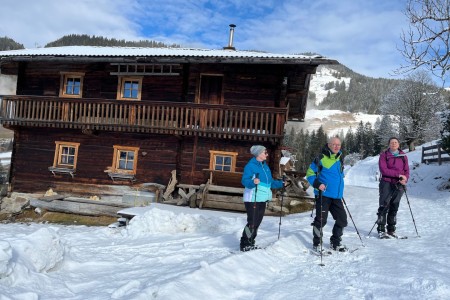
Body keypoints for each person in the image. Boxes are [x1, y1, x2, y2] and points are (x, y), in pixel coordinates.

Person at [306, 137, 347, 252]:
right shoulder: (321, 158)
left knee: (342, 220)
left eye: (338, 144)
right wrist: (317, 184)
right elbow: (310, 173)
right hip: (323, 195)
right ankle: (317, 244)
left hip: (337, 196)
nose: (336, 146)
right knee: (321, 220)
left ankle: (335, 243)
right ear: (328, 145)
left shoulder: (340, 158)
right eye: (334, 144)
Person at [240, 145, 284, 251]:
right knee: (252, 221)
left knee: (257, 222)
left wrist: (281, 183)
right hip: (252, 197)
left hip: (262, 198)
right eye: (265, 152)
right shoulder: (250, 166)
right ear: (259, 154)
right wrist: (252, 182)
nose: (267, 154)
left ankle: (251, 242)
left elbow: (270, 183)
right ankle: (245, 244)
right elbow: (244, 180)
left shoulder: (265, 166)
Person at [377, 137, 410, 238]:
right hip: (386, 183)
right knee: (384, 205)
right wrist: (399, 175)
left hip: (399, 184)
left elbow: (407, 170)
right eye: (392, 143)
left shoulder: (403, 156)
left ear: (399, 144)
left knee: (394, 206)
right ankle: (381, 230)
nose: (394, 144)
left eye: (396, 142)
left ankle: (391, 229)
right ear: (389, 144)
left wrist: (405, 179)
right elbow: (384, 170)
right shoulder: (384, 155)